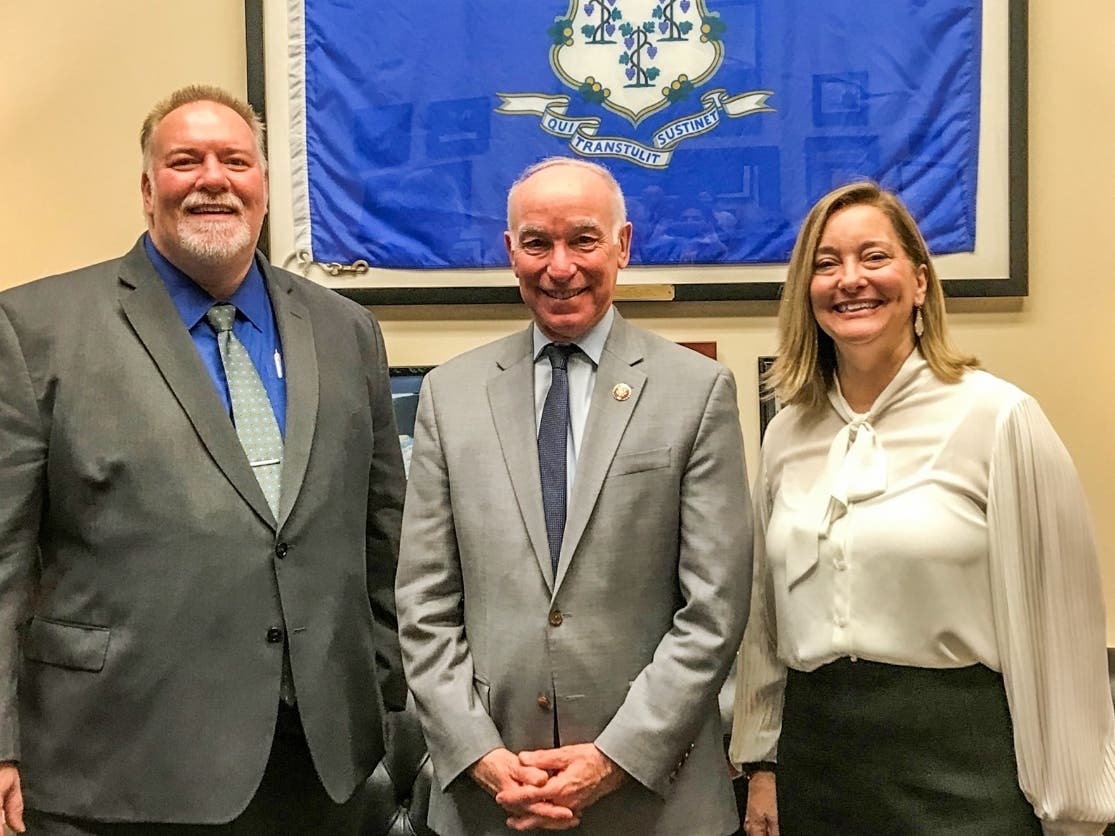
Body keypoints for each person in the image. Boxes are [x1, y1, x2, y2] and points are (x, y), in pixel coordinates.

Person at [0, 85, 407, 834]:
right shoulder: (35, 328)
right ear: (148, 190)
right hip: (116, 762)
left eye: (234, 160)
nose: (212, 178)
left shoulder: (346, 331)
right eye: (185, 161)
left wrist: (381, 691)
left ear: (262, 186)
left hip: (318, 764)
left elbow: (385, 533)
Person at [729, 181, 1115, 835]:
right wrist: (761, 763)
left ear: (918, 280)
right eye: (826, 264)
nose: (849, 280)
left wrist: (1073, 814)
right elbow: (763, 622)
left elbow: (1061, 629)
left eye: (873, 257)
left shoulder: (997, 418)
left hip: (960, 768)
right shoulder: (785, 432)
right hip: (818, 768)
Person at [395, 157, 753, 835]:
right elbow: (423, 604)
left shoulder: (696, 391)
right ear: (510, 253)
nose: (560, 266)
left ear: (622, 244)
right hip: (490, 800)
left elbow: (715, 608)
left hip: (656, 803)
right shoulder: (450, 394)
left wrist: (614, 758)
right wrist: (480, 754)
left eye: (583, 240)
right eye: (537, 243)